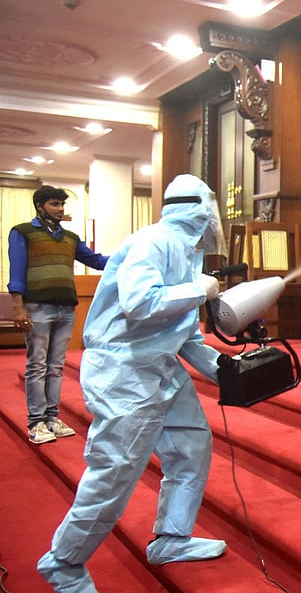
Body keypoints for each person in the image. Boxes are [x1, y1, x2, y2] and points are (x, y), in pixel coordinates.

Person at [37, 174, 229, 592]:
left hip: (159, 366)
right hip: (123, 370)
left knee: (191, 446)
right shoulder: (152, 242)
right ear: (197, 210)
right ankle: (64, 562)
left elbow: (183, 332)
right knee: (115, 470)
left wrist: (225, 370)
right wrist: (198, 290)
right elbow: (141, 304)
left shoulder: (187, 251)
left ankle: (172, 538)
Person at [7, 185, 109, 445]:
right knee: (37, 365)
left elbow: (97, 261)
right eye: (54, 204)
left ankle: (52, 418)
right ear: (40, 206)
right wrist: (18, 307)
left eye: (62, 204)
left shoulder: (70, 238)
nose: (60, 209)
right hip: (37, 308)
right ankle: (36, 422)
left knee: (56, 367)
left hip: (66, 309)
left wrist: (131, 255)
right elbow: (16, 272)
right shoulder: (23, 232)